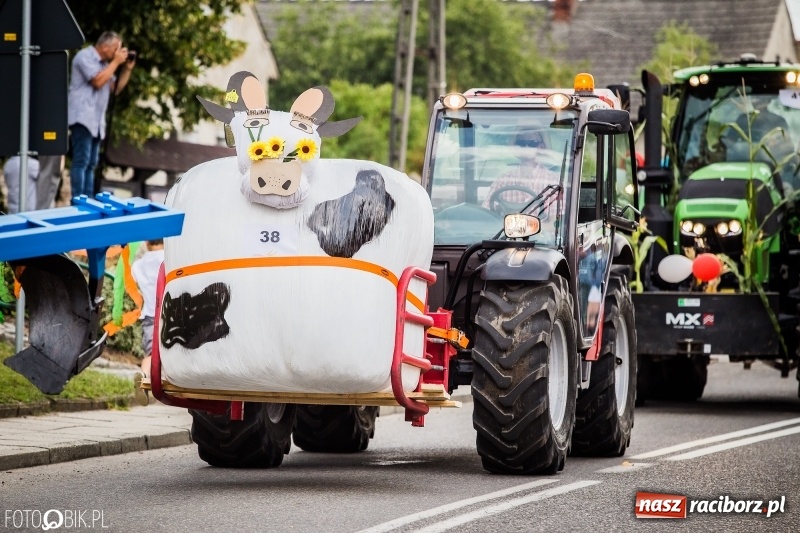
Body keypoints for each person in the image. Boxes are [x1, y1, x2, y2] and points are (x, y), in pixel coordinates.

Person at [67, 31, 135, 199]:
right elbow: (97, 81)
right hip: (82, 118)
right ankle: (78, 199)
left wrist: (127, 69)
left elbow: (115, 88)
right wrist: (116, 62)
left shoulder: (106, 65)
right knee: (81, 161)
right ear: (105, 46)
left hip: (96, 122)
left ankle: (88, 199)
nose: (118, 53)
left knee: (92, 164)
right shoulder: (84, 57)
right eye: (116, 48)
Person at [131, 239, 164, 379]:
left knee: (151, 353)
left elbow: (131, 282)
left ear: (146, 242)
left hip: (150, 314)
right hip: (170, 313)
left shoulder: (138, 265)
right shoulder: (168, 259)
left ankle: (144, 376)